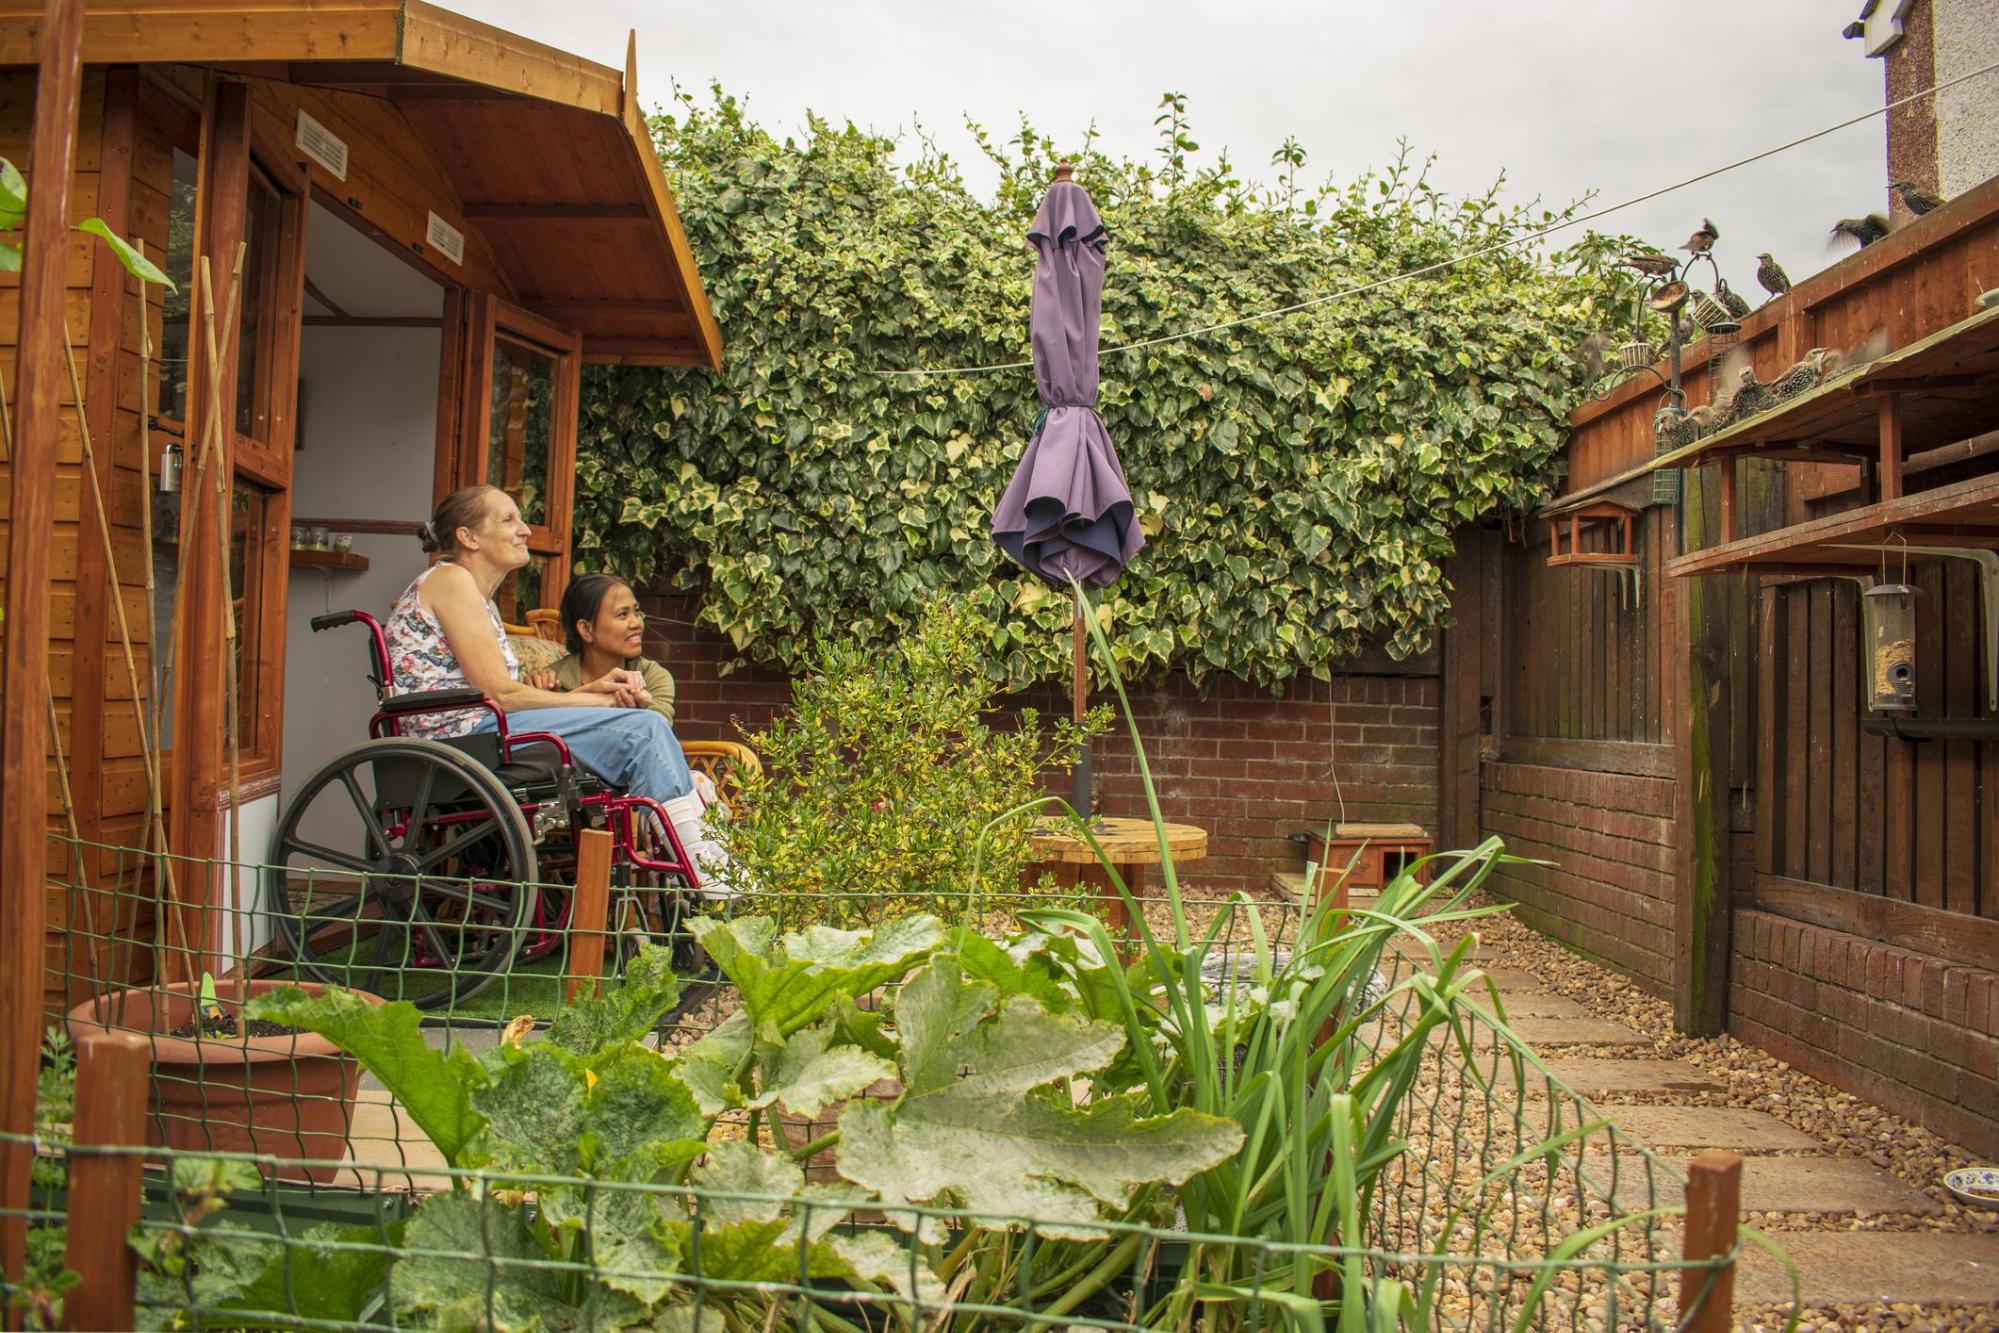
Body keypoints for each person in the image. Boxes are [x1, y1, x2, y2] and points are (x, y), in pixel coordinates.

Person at [383, 484, 737, 896]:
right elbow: (500, 693)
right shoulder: (453, 582)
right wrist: (594, 699)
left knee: (641, 728)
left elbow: (499, 694)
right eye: (508, 519)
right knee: (644, 730)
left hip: (481, 729)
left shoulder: (470, 593)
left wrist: (596, 695)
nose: (525, 530)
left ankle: (701, 874)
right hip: (460, 740)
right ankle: (710, 883)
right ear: (468, 536)